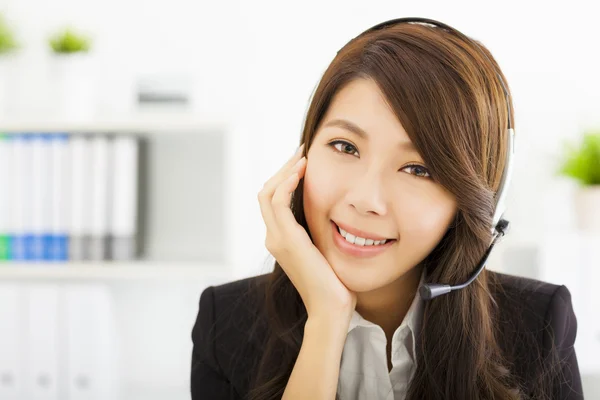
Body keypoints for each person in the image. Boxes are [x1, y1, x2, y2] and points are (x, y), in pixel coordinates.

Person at [190, 17, 583, 400]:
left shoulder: (541, 324)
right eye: (345, 147)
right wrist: (326, 320)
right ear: (303, 155)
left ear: (477, 199)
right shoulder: (224, 325)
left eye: (418, 169)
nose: (366, 199)